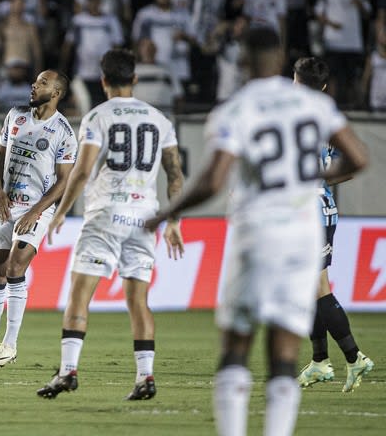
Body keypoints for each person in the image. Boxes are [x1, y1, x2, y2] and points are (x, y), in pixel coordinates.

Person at [145, 29, 368, 436]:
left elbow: (212, 182)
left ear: (244, 60)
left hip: (257, 233)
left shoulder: (237, 108)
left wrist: (166, 214)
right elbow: (359, 156)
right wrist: (308, 177)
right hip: (302, 234)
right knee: (284, 353)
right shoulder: (314, 105)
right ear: (280, 59)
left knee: (236, 348)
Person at [36, 48, 184, 401]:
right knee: (139, 301)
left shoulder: (97, 117)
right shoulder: (160, 120)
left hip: (106, 214)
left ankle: (68, 371)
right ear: (134, 79)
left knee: (79, 296)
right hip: (146, 217)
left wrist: (60, 211)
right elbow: (175, 174)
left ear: (102, 81)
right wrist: (174, 220)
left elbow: (84, 171)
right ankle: (145, 377)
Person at [0, 69, 76, 370]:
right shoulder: (15, 116)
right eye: (36, 81)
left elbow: (64, 182)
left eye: (42, 83)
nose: (34, 85)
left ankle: (10, 345)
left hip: (35, 209)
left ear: (56, 93)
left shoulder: (64, 132)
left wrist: (37, 211)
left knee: (14, 267)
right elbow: (0, 154)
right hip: (6, 205)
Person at [292, 58, 375, 392]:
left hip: (302, 211)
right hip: (323, 205)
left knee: (318, 288)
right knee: (311, 287)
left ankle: (354, 358)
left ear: (294, 81)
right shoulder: (328, 118)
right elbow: (353, 165)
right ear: (324, 87)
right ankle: (319, 361)